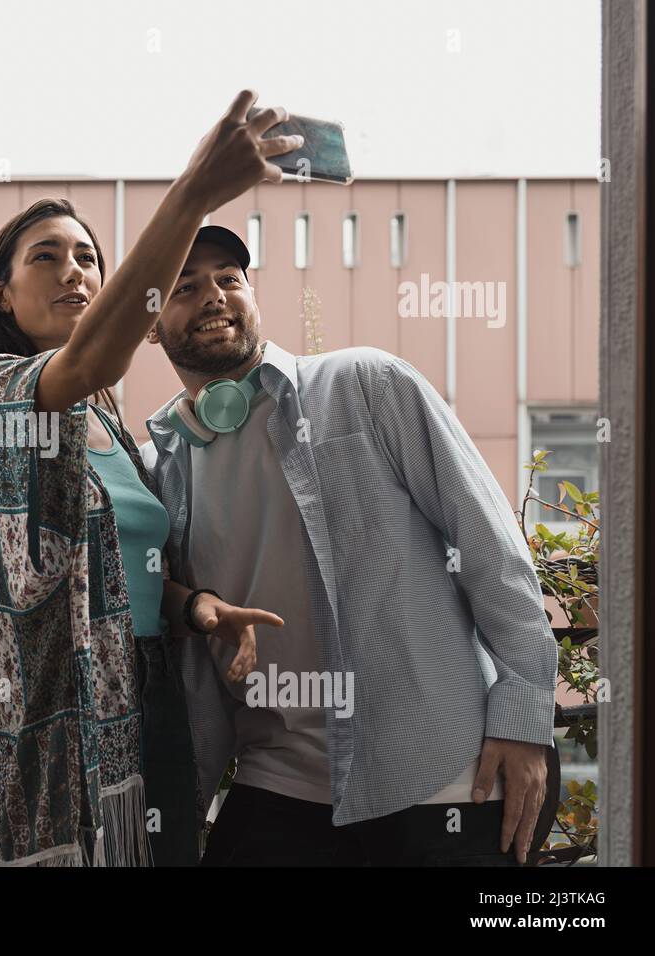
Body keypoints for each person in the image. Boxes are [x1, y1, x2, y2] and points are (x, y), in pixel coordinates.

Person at [0, 89, 297, 866]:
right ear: (0, 293)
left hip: (150, 690)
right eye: (46, 257)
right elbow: (96, 356)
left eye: (87, 259)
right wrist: (195, 190)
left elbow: (115, 568)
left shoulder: (104, 417)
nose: (74, 272)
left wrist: (197, 607)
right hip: (59, 724)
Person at [140, 225, 558, 866]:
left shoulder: (365, 384)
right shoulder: (163, 461)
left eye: (230, 279)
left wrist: (524, 716)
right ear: (147, 325)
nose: (215, 296)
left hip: (440, 775)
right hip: (278, 779)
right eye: (185, 287)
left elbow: (489, 545)